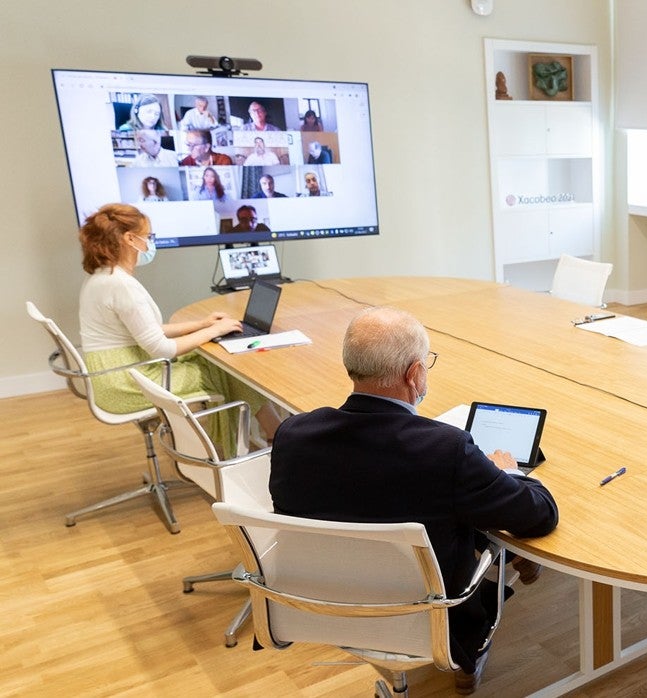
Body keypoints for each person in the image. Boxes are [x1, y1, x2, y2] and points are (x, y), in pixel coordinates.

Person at [269, 306, 559, 694]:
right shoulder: (446, 449)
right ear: (414, 373)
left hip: (321, 604)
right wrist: (506, 472)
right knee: (469, 512)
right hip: (429, 618)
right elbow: (539, 516)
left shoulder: (293, 434)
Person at [77, 204, 280, 450]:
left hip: (117, 374)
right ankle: (276, 434)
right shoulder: (120, 285)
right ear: (130, 239)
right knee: (225, 369)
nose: (150, 243)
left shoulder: (103, 277)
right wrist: (214, 331)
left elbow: (149, 330)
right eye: (148, 237)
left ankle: (274, 433)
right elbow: (160, 348)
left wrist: (203, 324)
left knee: (215, 360)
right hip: (126, 384)